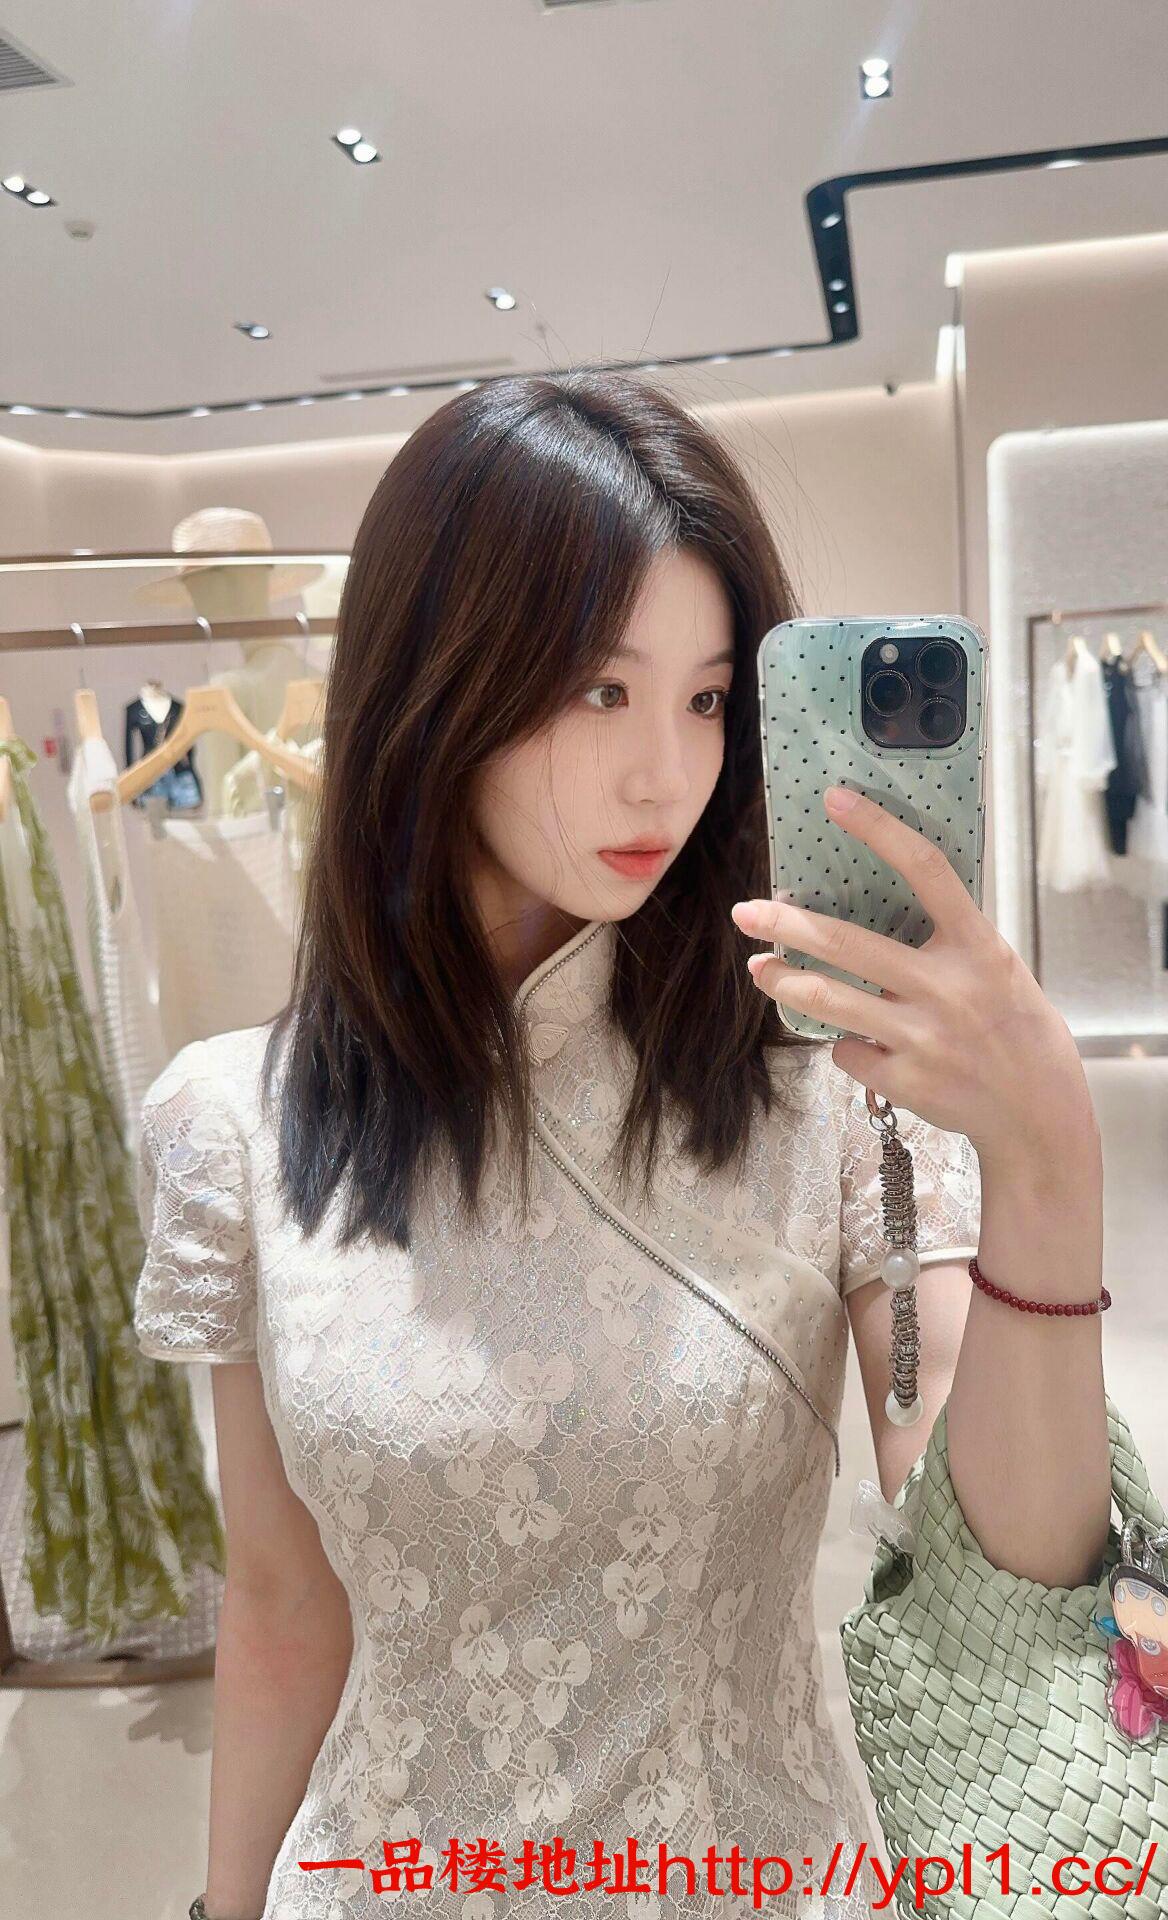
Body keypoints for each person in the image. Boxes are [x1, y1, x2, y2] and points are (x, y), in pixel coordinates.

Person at [133, 370, 1108, 1920]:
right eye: (602, 690)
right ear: (436, 682)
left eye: (709, 699)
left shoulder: (824, 1091)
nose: (669, 771)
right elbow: (279, 1604)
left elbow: (1006, 1560)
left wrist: (1049, 1161)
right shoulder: (238, 1122)